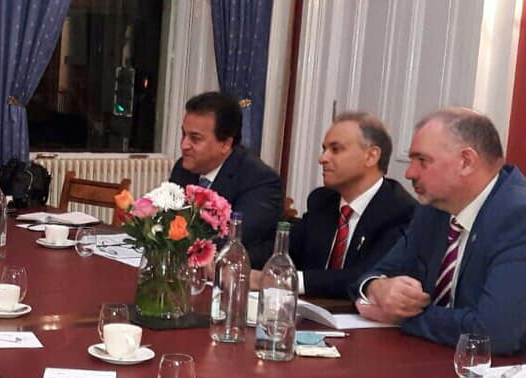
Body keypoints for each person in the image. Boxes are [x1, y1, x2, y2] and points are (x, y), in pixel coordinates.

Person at [355, 108, 526, 355]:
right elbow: (374, 273)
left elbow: (493, 334)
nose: (409, 173)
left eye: (422, 160)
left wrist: (403, 317)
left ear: (466, 162)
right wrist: (377, 287)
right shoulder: (434, 209)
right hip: (435, 359)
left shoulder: (518, 216)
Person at [250, 113, 415, 298]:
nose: (322, 158)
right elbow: (284, 249)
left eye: (335, 150)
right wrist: (237, 261)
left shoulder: (400, 211)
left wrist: (281, 281)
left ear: (371, 156)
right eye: (324, 149)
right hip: (311, 310)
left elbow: (366, 277)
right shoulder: (322, 201)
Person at [170, 91, 283, 267]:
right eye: (183, 134)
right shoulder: (183, 169)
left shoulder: (259, 181)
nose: (184, 145)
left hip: (231, 277)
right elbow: (167, 221)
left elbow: (232, 242)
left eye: (195, 138)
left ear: (225, 144)